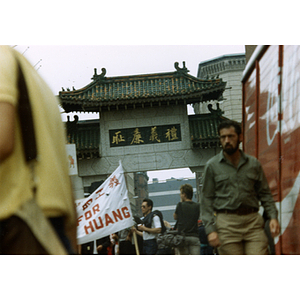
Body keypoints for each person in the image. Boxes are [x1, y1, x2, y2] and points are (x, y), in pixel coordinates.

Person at [0, 46, 76, 254]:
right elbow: (67, 187)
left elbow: (3, 141)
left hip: (15, 225)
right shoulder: (37, 84)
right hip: (49, 232)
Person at [201, 120, 280, 255]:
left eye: (231, 136)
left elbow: (265, 194)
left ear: (240, 137)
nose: (227, 140)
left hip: (252, 223)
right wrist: (211, 230)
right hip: (226, 224)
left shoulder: (253, 164)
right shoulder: (212, 166)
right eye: (223, 137)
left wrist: (273, 217)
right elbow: (206, 200)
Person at [173, 184, 200, 255]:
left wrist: (181, 201)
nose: (180, 195)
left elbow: (175, 217)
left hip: (183, 237)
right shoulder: (197, 206)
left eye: (181, 194)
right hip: (194, 237)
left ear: (184, 195)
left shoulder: (180, 205)